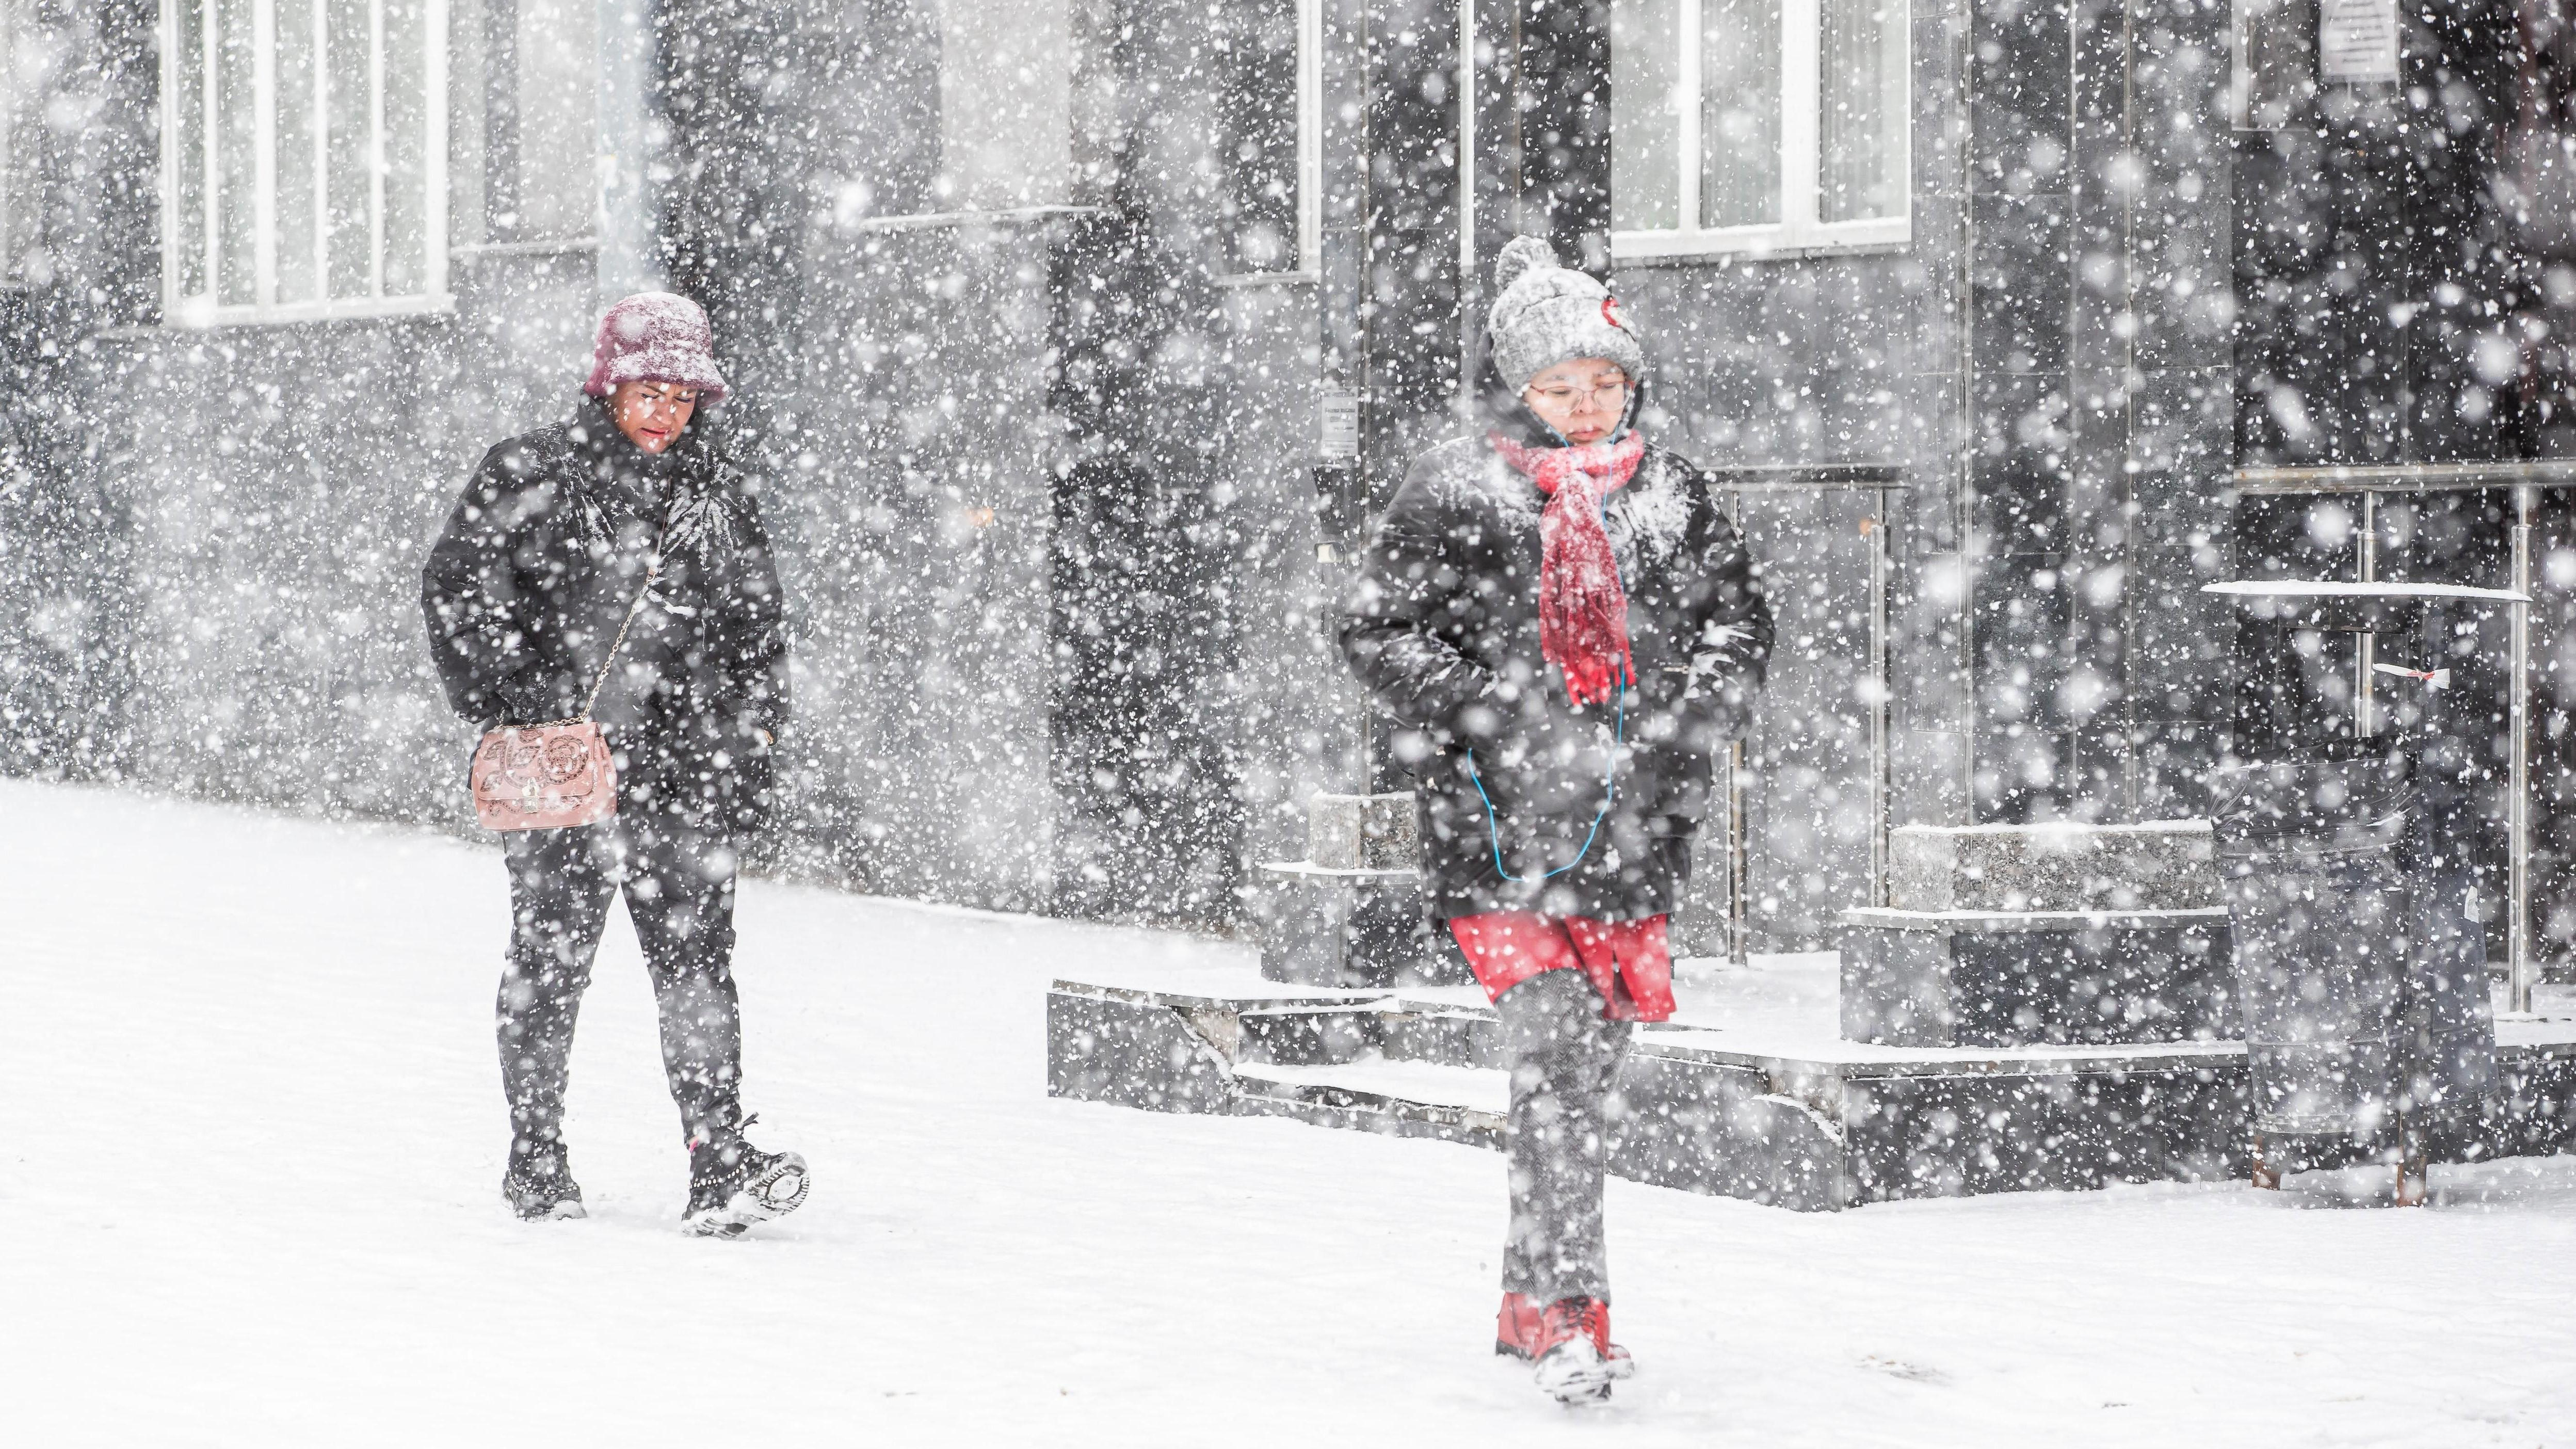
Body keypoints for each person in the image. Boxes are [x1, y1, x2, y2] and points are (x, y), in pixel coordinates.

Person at [1340, 236, 1772, 1403]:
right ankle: (1576, 1318)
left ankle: (1530, 1306)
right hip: (1499, 836)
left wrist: (1683, 720)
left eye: (1605, 383)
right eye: (1559, 386)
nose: (1586, 406)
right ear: (1516, 393)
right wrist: (1486, 707)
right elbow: (1374, 628)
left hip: (1632, 837)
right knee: (1555, 1062)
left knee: (1580, 1080)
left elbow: (1742, 627)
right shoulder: (1454, 490)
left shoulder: (1676, 494)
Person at [421, 291, 808, 1237]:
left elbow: (758, 635)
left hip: (687, 777)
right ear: (608, 385)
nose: (665, 411)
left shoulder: (721, 493)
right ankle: (537, 1157)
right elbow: (457, 586)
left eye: (683, 395)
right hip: (566, 771)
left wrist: (749, 752)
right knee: (550, 966)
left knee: (699, 973)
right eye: (648, 390)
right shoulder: (532, 470)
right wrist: (519, 693)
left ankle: (717, 1162)